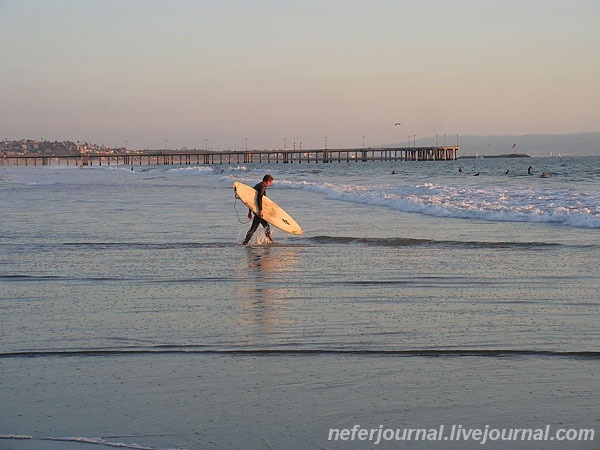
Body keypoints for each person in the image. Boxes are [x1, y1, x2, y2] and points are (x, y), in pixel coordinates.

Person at [242, 174, 274, 245]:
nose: (270, 184)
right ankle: (245, 242)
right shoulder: (262, 187)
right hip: (259, 211)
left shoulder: (258, 185)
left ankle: (270, 241)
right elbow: (259, 198)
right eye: (270, 183)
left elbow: (251, 200)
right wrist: (261, 210)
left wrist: (250, 211)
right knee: (254, 228)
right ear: (268, 181)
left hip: (256, 210)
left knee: (266, 226)